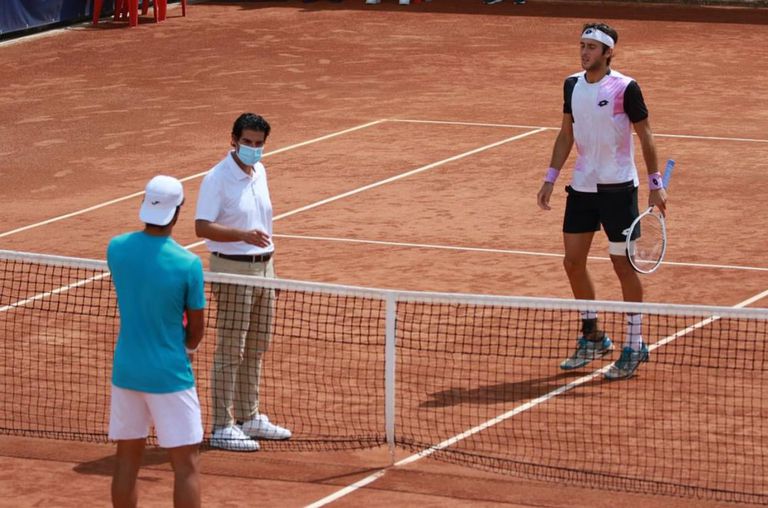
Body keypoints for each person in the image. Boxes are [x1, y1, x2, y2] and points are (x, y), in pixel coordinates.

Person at [536, 22, 668, 380]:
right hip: (582, 186)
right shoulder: (571, 85)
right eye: (581, 45)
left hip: (618, 189)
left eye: (592, 47)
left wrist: (656, 184)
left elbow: (646, 135)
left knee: (622, 265)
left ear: (609, 53)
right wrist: (551, 177)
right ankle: (593, 335)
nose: (584, 52)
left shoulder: (626, 88)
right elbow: (566, 134)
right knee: (572, 262)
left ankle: (636, 343)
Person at [107, 175, 206, 508]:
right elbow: (196, 328)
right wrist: (188, 350)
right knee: (186, 467)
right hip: (170, 375)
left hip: (127, 372)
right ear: (178, 211)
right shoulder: (188, 264)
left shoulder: (116, 249)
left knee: (126, 461)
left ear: (144, 202)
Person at [195, 113, 291, 452]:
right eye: (247, 142)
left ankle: (249, 417)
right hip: (233, 269)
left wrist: (271, 269)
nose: (253, 149)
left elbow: (261, 219)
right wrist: (241, 236)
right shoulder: (217, 178)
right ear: (233, 140)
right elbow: (202, 227)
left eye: (259, 144)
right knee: (231, 348)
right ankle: (222, 425)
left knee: (257, 346)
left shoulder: (259, 171)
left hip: (265, 268)